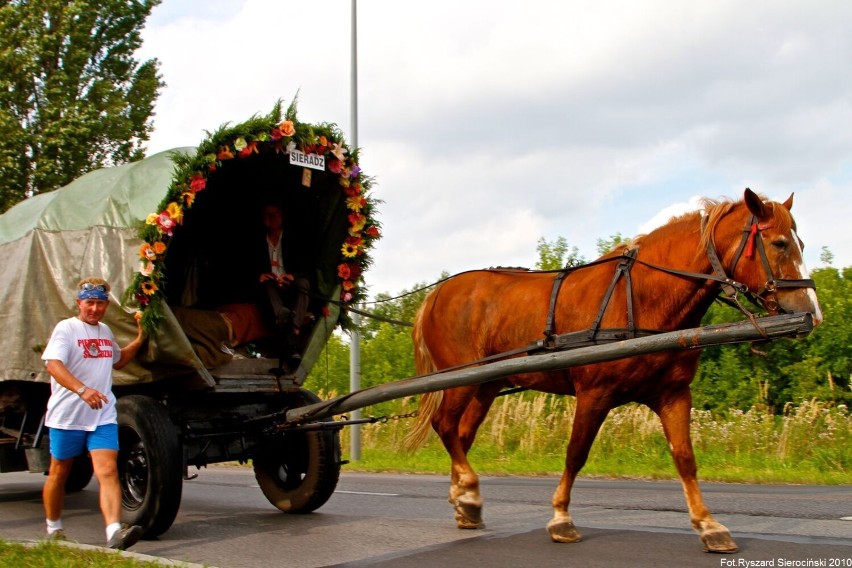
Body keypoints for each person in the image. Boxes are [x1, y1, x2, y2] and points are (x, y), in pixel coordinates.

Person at [41, 277, 146, 550]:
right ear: (79, 302)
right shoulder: (66, 329)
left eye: (101, 303)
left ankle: (114, 532)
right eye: (90, 303)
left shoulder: (105, 331)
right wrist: (82, 390)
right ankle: (53, 527)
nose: (95, 309)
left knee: (108, 470)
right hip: (68, 416)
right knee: (59, 472)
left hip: (101, 415)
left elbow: (119, 361)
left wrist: (140, 338)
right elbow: (53, 365)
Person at [257, 203, 311, 364]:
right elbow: (247, 267)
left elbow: (307, 265)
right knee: (266, 285)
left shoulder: (294, 238)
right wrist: (260, 276)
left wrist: (292, 276)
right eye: (268, 214)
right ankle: (288, 325)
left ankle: (292, 327)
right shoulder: (257, 241)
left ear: (283, 216)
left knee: (304, 284)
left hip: (290, 286)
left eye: (276, 213)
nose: (272, 217)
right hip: (271, 287)